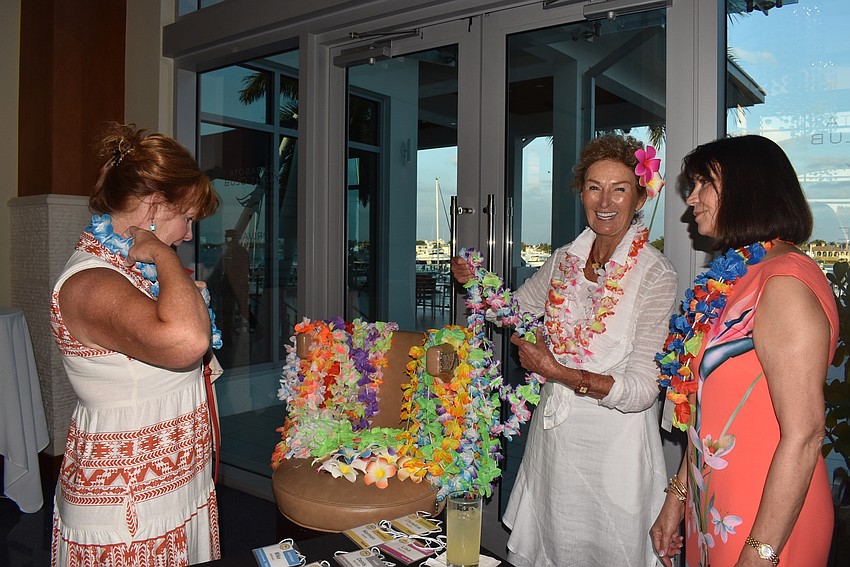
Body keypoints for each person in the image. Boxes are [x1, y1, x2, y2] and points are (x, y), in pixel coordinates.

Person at [451, 134, 678, 566]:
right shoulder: (565, 260)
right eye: (595, 186)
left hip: (617, 453)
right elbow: (513, 311)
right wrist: (475, 282)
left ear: (640, 196)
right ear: (581, 193)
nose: (605, 200)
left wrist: (557, 373)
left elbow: (643, 389)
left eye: (620, 188)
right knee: (553, 546)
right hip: (555, 445)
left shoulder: (655, 274)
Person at [650, 135, 836, 567]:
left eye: (703, 184)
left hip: (767, 520)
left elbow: (805, 434)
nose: (691, 200)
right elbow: (712, 411)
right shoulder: (741, 277)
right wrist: (678, 497)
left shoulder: (784, 282)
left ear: (748, 188)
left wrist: (762, 553)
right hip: (716, 505)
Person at [49, 122, 221, 566]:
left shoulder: (124, 266)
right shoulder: (91, 280)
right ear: (153, 206)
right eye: (186, 219)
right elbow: (188, 341)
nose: (186, 234)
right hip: (130, 506)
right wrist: (162, 253)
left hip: (173, 483)